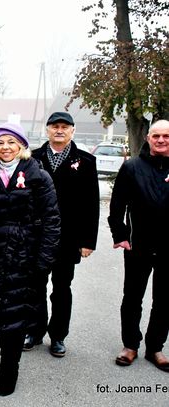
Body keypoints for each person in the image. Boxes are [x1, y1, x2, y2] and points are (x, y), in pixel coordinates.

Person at [0, 122, 60, 396]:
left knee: (17, 316)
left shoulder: (38, 176)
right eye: (0, 142)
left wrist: (43, 260)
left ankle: (11, 370)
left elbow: (51, 221)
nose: (5, 147)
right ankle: (2, 365)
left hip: (25, 257)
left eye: (11, 142)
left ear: (21, 145)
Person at [26, 112, 99, 357]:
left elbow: (91, 204)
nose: (59, 130)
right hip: (37, 236)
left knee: (61, 288)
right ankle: (34, 331)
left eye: (64, 127)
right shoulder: (33, 158)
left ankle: (57, 336)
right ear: (47, 130)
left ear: (72, 131)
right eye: (55, 126)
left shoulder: (86, 161)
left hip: (68, 238)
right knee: (35, 286)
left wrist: (88, 241)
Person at [108, 119, 169, 372]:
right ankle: (130, 345)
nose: (161, 140)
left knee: (165, 300)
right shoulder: (132, 167)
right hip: (138, 245)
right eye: (156, 136)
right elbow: (117, 205)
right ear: (148, 138)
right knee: (132, 297)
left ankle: (155, 348)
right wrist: (119, 234)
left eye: (166, 136)